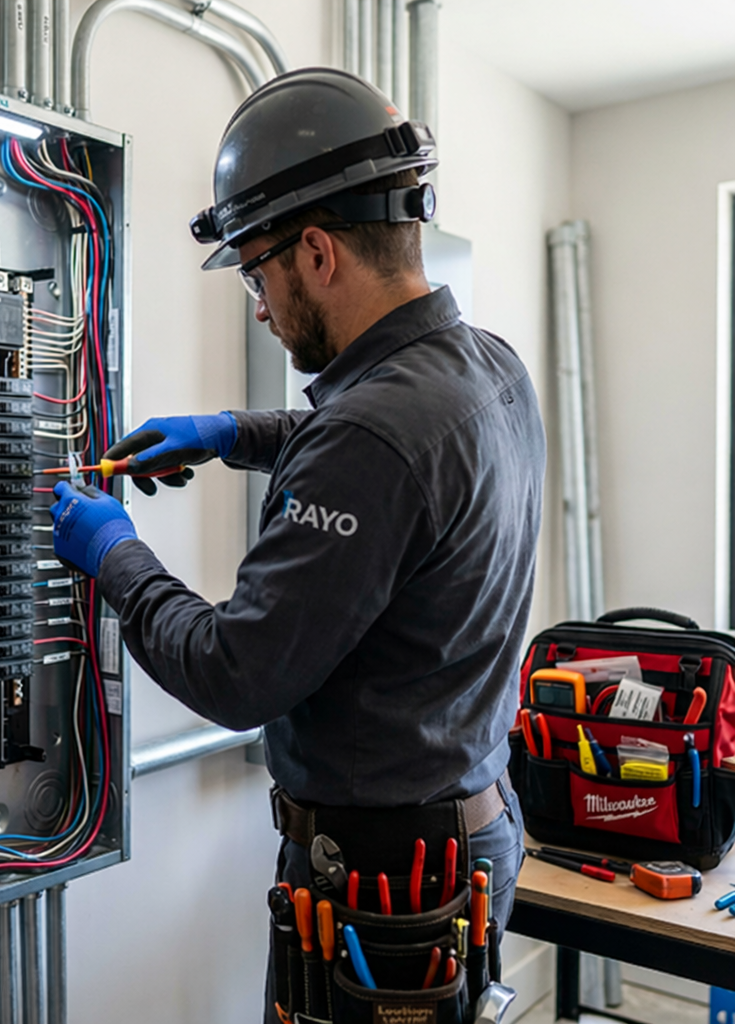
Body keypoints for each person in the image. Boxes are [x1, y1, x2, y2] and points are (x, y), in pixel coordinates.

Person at [49, 69, 545, 1017]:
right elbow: (390, 458)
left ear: (316, 253)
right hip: (470, 832)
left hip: (387, 882)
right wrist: (234, 431)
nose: (260, 305)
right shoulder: (486, 366)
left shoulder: (370, 438)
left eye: (256, 272)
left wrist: (113, 552)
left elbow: (236, 673)